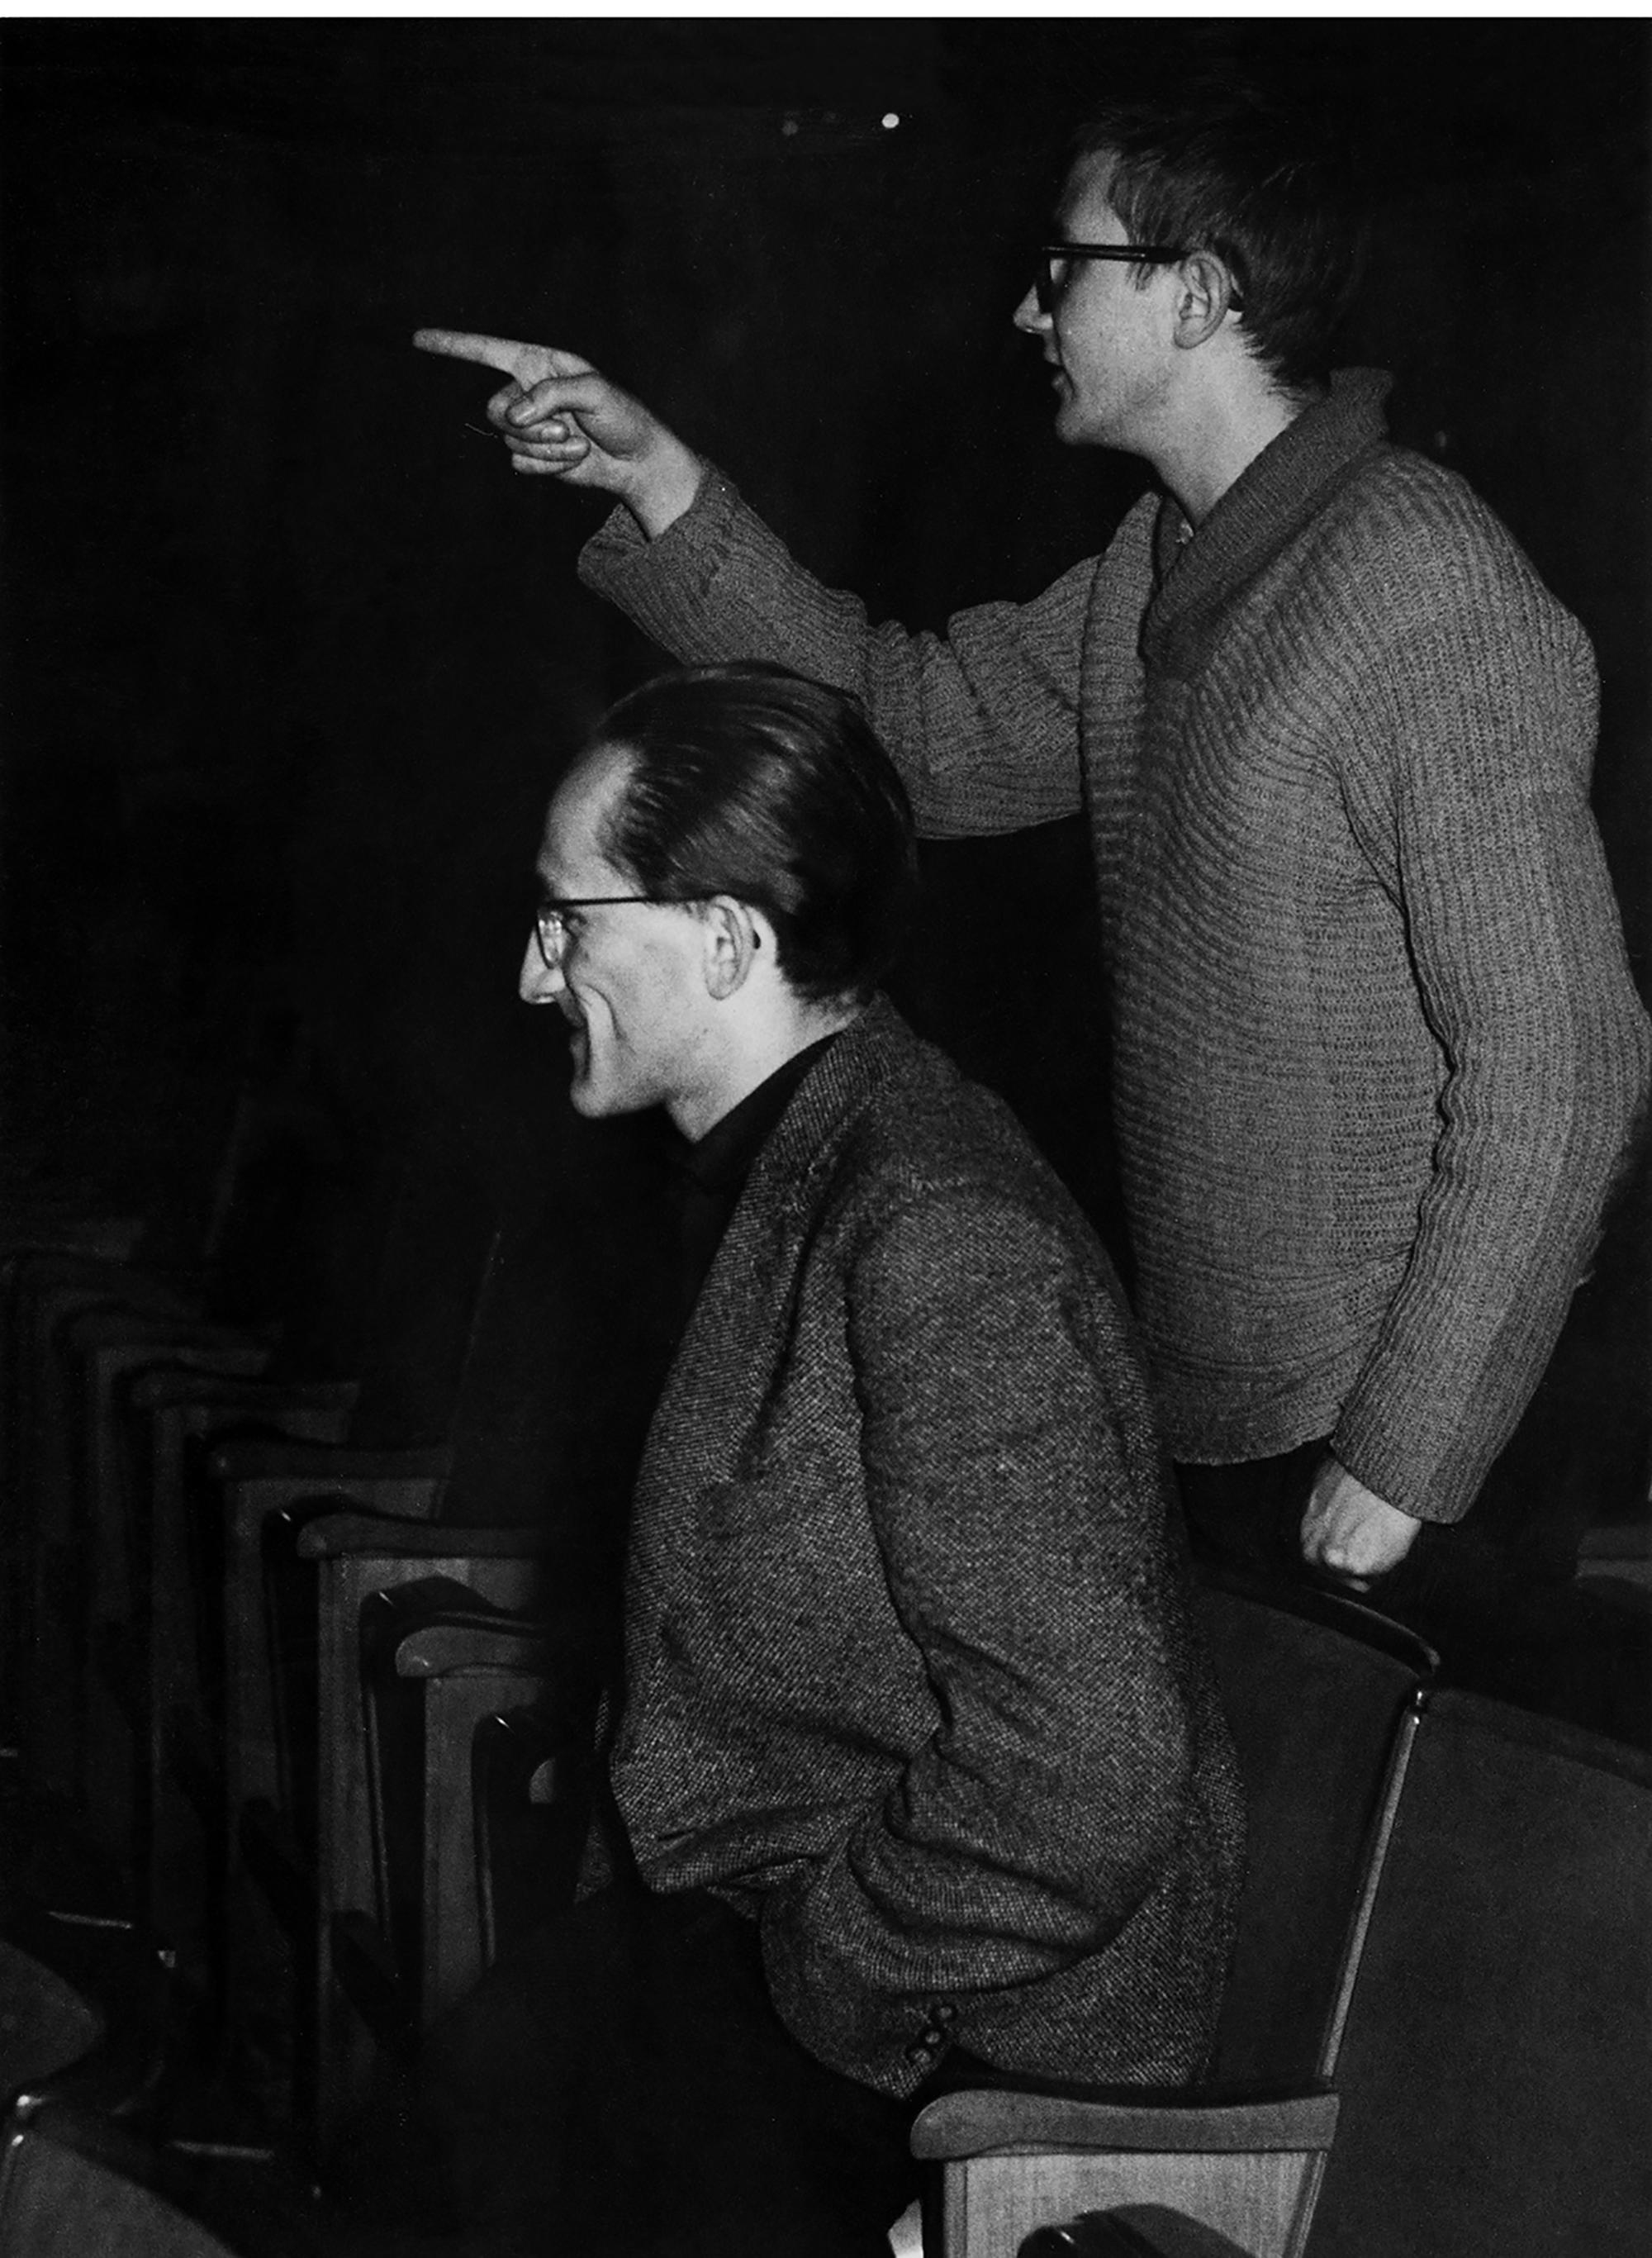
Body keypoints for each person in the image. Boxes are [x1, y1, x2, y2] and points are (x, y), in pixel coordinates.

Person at [412, 77, 1650, 1645]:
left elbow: (1567, 1058)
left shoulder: (1420, 587)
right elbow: (914, 732)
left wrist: (1408, 1454)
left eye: (1065, 268)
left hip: (1390, 1457)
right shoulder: (1168, 561)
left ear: (1198, 294)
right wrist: (661, 481)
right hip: (1225, 1413)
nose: (1025, 307)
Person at [330, 662, 1244, 2258]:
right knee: (447, 2126)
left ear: (731, 938)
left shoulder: (936, 1222)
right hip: (796, 1950)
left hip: (963, 2038)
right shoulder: (800, 1162)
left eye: (570, 921)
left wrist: (818, 1970)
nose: (535, 976)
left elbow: (1086, 1773)